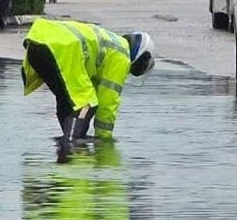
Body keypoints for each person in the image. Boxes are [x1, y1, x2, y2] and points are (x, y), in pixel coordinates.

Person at [21, 18, 155, 146]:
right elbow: (108, 102)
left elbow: (89, 92)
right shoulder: (121, 56)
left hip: (39, 40)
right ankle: (71, 143)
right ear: (141, 55)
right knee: (86, 105)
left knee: (68, 101)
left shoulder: (111, 45)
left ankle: (68, 142)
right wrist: (104, 139)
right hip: (63, 48)